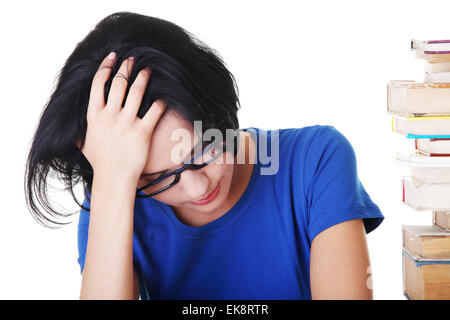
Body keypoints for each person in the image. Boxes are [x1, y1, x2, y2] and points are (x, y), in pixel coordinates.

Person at [24, 11, 384, 300]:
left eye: (204, 151)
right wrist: (114, 182)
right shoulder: (114, 201)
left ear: (220, 113)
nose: (197, 188)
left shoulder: (315, 160)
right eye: (158, 178)